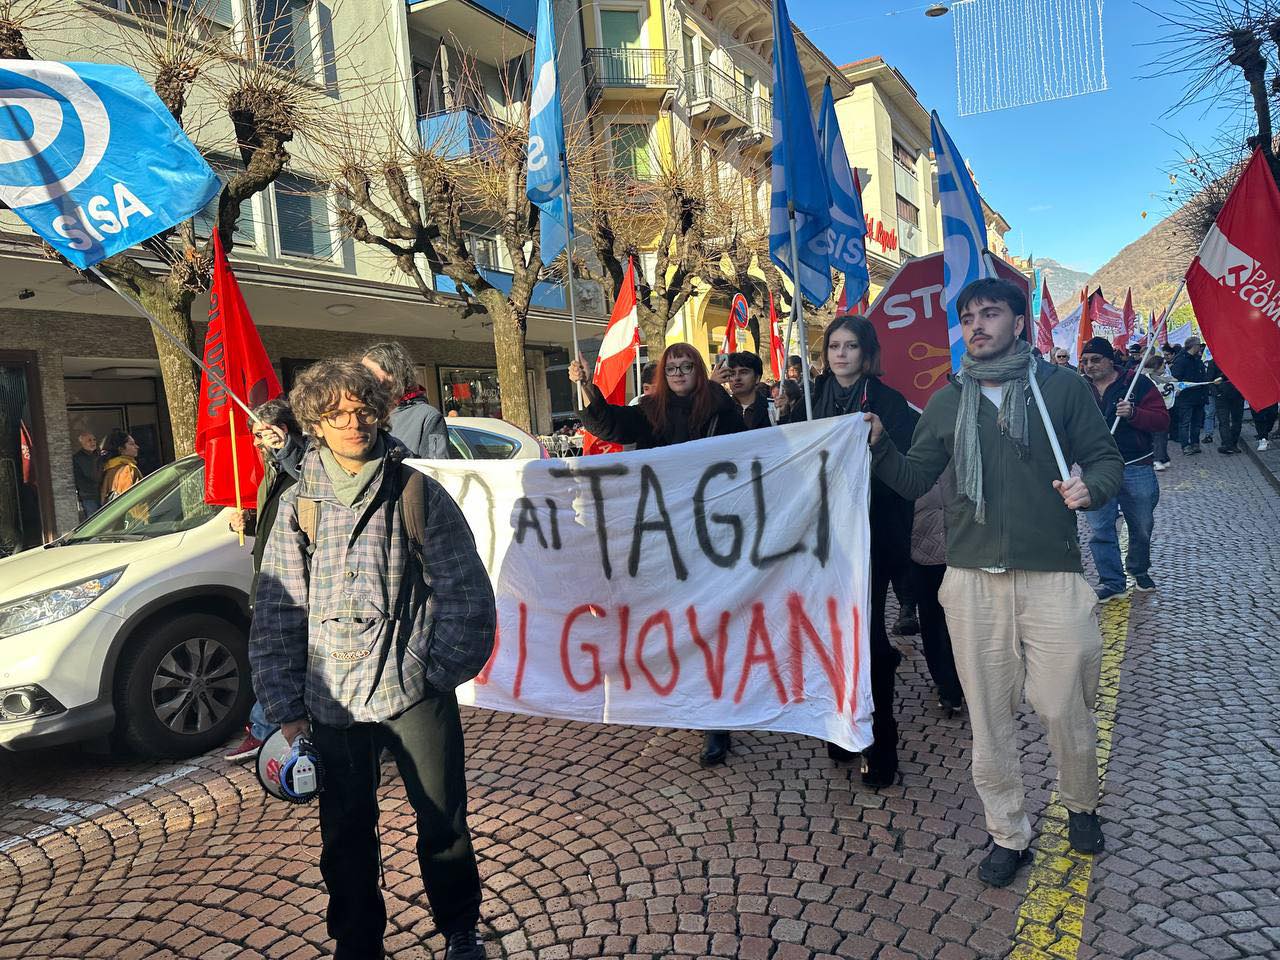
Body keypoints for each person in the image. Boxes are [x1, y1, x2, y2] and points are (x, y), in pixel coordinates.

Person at [864, 277, 1123, 887]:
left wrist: (1091, 488)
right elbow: (915, 477)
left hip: (1052, 576)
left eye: (990, 313)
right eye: (968, 317)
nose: (977, 325)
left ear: (1018, 322)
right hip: (972, 580)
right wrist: (880, 448)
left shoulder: (1059, 388)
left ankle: (1080, 803)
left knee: (1065, 704)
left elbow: (1106, 460)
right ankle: (1008, 833)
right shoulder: (948, 401)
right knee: (988, 718)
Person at [250, 360, 495, 960]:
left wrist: (436, 672)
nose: (353, 423)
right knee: (346, 835)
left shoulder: (416, 492)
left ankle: (460, 927)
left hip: (412, 691)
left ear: (380, 414)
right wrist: (287, 708)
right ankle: (357, 943)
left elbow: (466, 592)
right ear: (315, 424)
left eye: (362, 411)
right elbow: (278, 612)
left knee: (443, 821)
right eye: (336, 415)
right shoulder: (297, 506)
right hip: (331, 700)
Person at [569, 343, 746, 767]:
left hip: (711, 531)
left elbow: (746, 455)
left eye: (687, 366)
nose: (679, 373)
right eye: (672, 368)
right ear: (663, 375)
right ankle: (689, 699)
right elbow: (610, 425)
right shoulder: (651, 410)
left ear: (698, 370)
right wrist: (587, 388)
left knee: (711, 622)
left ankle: (716, 719)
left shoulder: (722, 409)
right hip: (664, 532)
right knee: (677, 619)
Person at [782, 315, 918, 788]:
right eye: (834, 346)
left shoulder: (889, 402)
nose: (841, 354)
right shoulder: (809, 400)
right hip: (822, 541)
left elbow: (905, 469)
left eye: (851, 346)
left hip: (871, 539)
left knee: (870, 640)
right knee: (830, 636)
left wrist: (876, 446)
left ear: (867, 352)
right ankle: (840, 725)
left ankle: (880, 743)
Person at [223, 399, 307, 762]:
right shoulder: (271, 469)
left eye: (261, 435)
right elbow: (278, 521)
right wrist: (251, 522)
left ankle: (263, 728)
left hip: (294, 580)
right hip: (271, 576)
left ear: (281, 431)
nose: (257, 443)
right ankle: (268, 727)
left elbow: (310, 488)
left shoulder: (303, 462)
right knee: (274, 654)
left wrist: (286, 450)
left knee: (276, 654)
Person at [1078, 338, 1169, 601]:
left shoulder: (1137, 383)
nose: (1089, 365)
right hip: (1095, 469)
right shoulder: (1079, 387)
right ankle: (1111, 581)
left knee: (1141, 525)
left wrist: (1134, 413)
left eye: (1095, 359)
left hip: (1135, 465)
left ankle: (1139, 570)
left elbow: (1162, 421)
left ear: (1110, 360)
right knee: (1100, 529)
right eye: (1084, 361)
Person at [910, 469, 964, 716]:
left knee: (955, 621)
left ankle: (953, 685)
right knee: (932, 619)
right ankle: (946, 682)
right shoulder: (916, 463)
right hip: (922, 552)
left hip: (961, 551)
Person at [361, 341, 449, 458]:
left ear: (394, 374)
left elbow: (435, 466)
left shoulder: (427, 416)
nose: (363, 379)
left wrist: (397, 454)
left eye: (369, 373)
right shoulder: (362, 413)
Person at [1170, 337, 1210, 455]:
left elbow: (1203, 376)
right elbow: (1176, 378)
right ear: (1194, 346)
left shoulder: (1198, 359)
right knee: (1185, 423)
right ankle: (1185, 445)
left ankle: (1195, 443)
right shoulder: (1181, 360)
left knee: (1196, 423)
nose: (1200, 348)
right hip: (1186, 397)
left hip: (1199, 397)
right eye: (1198, 345)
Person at [723, 351, 776, 428]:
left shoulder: (774, 408)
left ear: (757, 378)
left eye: (743, 372)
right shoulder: (721, 409)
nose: (737, 378)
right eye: (732, 374)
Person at [1142, 353, 1176, 471]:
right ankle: (1157, 459)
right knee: (1159, 435)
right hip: (1152, 410)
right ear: (1157, 366)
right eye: (1163, 365)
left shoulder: (1164, 377)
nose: (1164, 367)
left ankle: (1163, 458)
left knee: (1162, 434)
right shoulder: (1146, 378)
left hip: (1163, 409)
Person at [1207, 358, 1244, 454]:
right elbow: (1210, 381)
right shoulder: (1213, 362)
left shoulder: (1237, 360)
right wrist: (1217, 394)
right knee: (1224, 421)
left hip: (1237, 395)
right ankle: (1227, 444)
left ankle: (1233, 443)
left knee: (1237, 421)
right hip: (1222, 396)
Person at [100, 429, 142, 503]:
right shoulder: (127, 469)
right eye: (132, 444)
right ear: (121, 449)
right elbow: (128, 499)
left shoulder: (108, 467)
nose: (137, 447)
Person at [72, 430, 103, 518]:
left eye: (94, 440)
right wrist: (93, 487)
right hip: (88, 496)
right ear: (82, 443)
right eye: (89, 440)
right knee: (93, 519)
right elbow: (79, 479)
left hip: (102, 492)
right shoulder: (77, 458)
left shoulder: (99, 455)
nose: (93, 442)